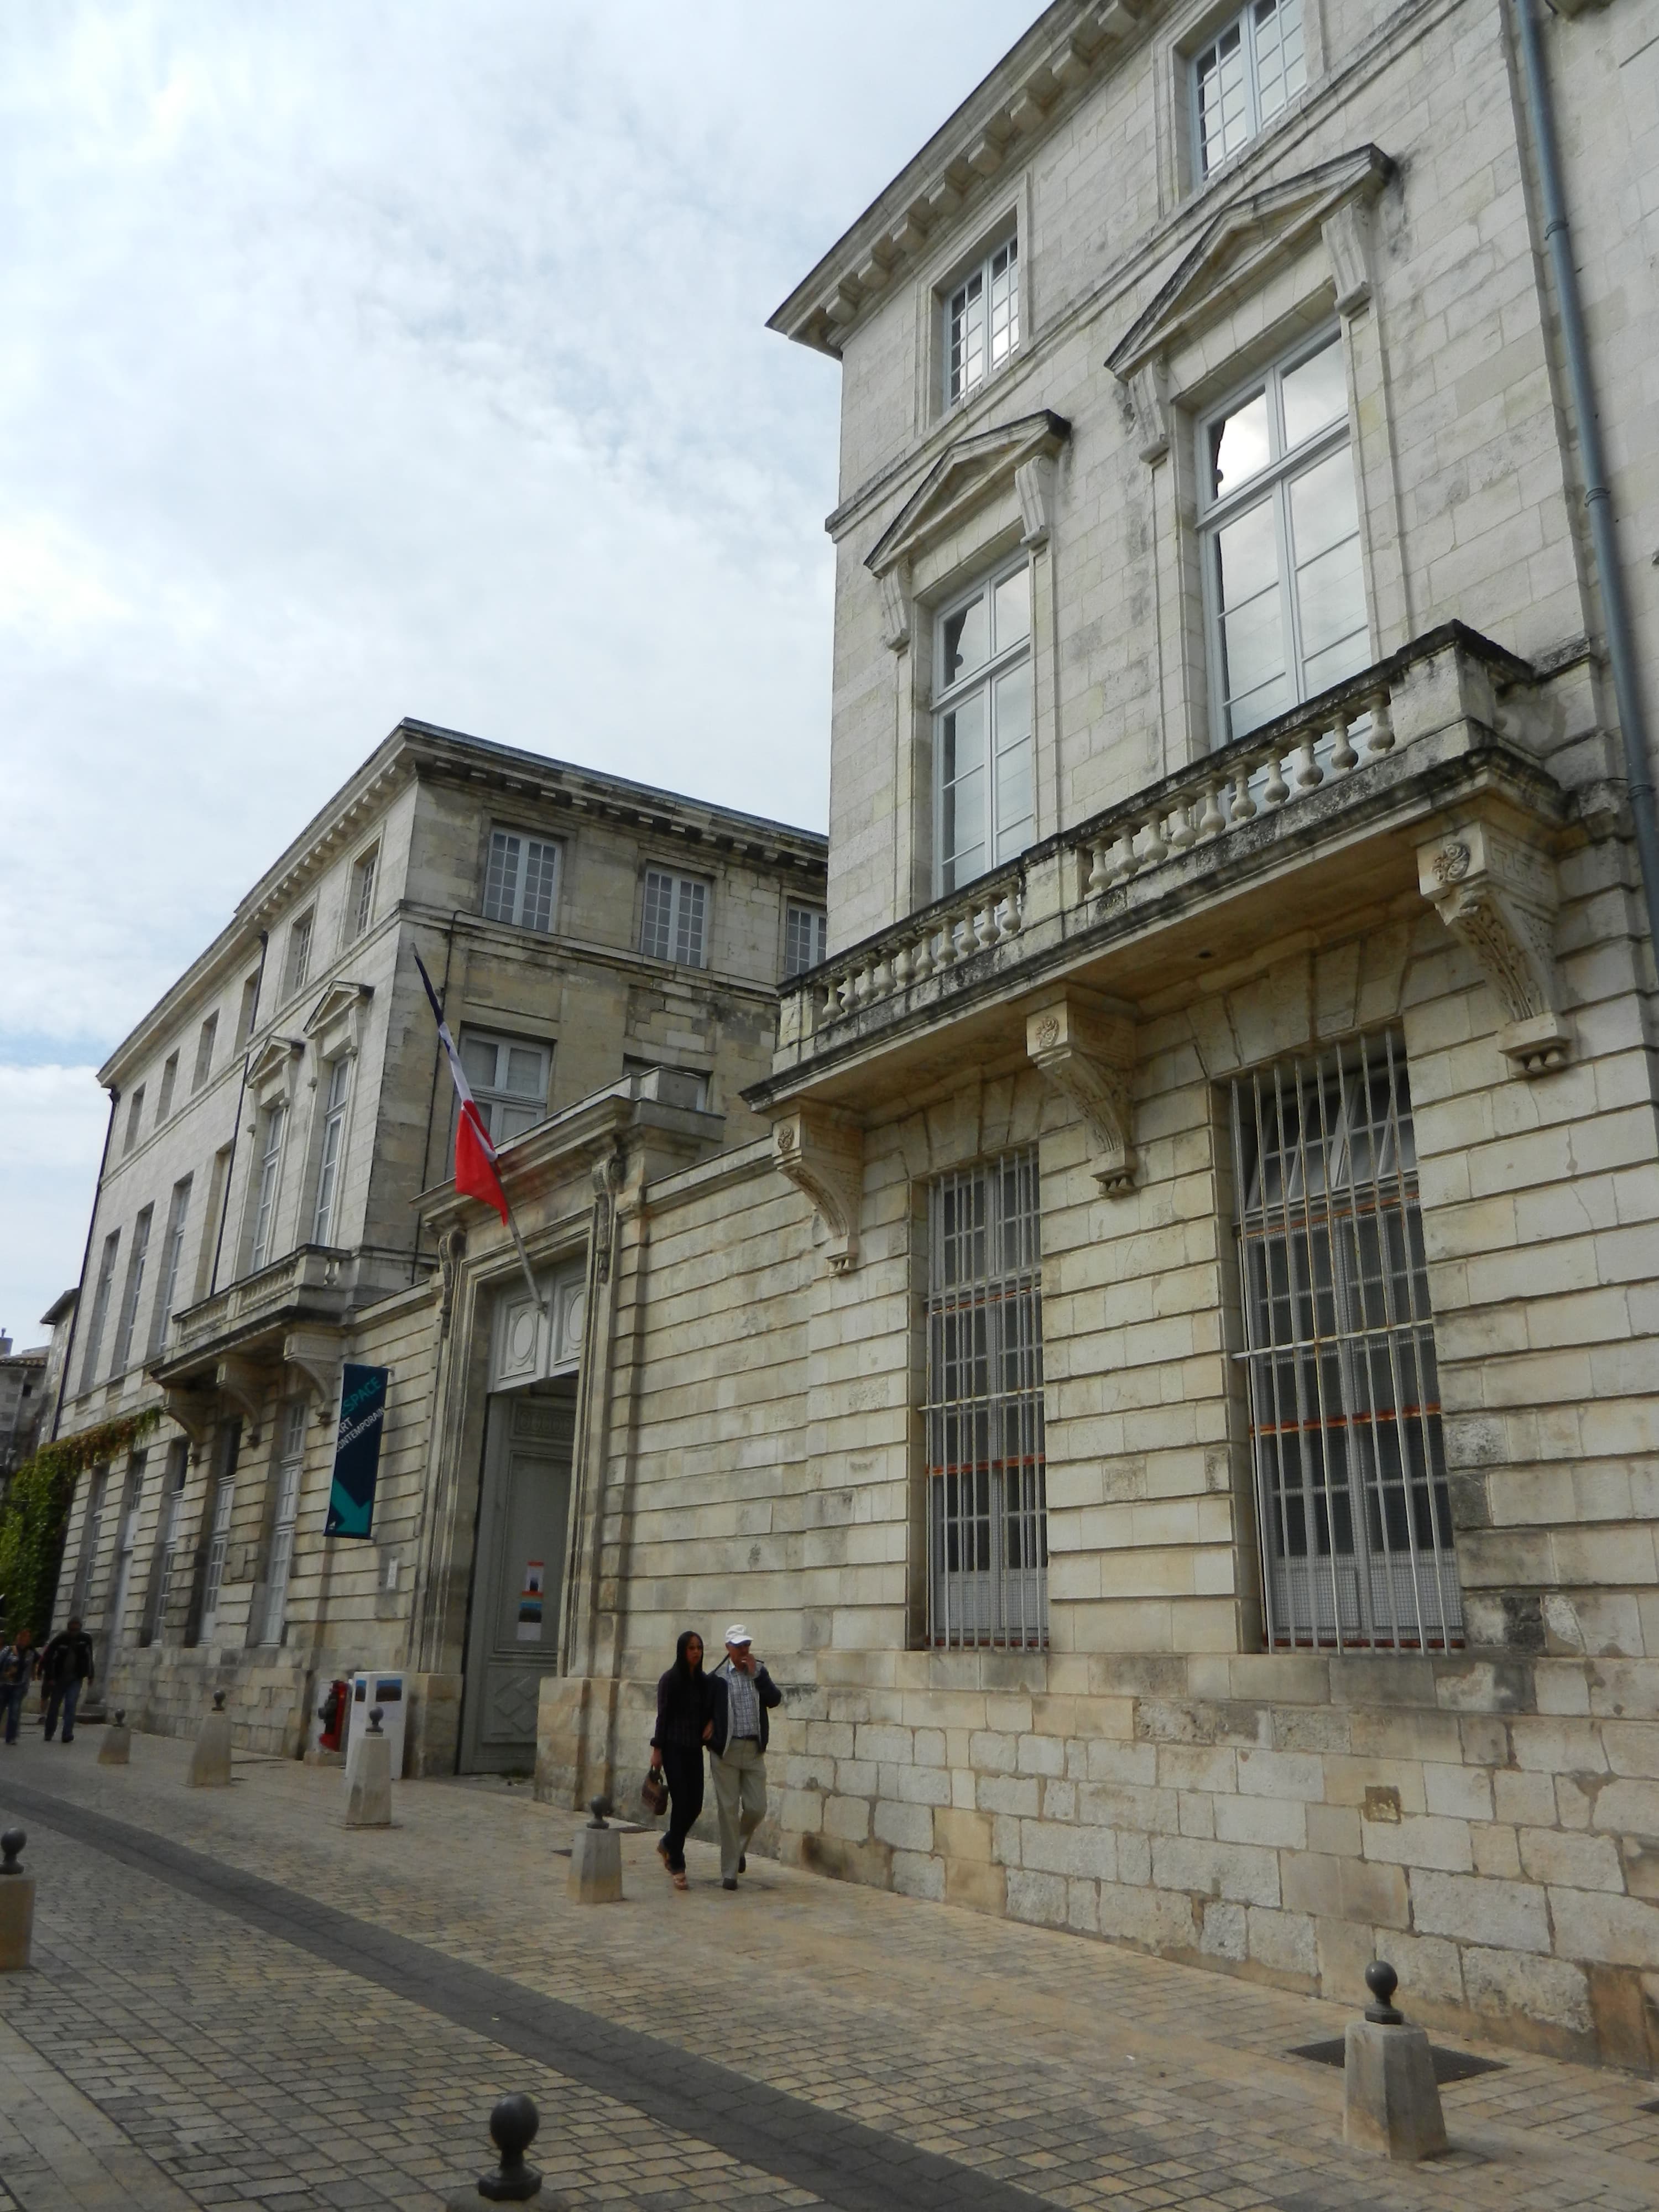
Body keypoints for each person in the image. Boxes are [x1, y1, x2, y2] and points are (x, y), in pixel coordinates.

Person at [706, 1623, 781, 1891]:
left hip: (753, 1751)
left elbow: (775, 1699)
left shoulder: (759, 1671)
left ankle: (736, 1850)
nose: (744, 1651)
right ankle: (729, 1873)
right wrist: (708, 1731)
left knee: (757, 1807)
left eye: (747, 1646)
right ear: (728, 1648)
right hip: (726, 1752)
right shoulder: (716, 1678)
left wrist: (756, 1676)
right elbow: (704, 1709)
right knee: (728, 1812)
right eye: (739, 1647)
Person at [649, 1629, 713, 1891]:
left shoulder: (703, 1681)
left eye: (699, 1648)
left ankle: (668, 1843)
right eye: (691, 1648)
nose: (696, 1652)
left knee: (695, 1805)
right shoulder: (670, 1680)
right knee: (681, 1803)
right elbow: (662, 1717)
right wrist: (657, 1750)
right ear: (682, 1651)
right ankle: (677, 1862)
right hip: (674, 1749)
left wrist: (712, 1722)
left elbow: (711, 1708)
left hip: (694, 1749)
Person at [39, 1616, 94, 1744]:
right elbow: (48, 1657)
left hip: (75, 1678)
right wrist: (50, 1677)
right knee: (54, 1705)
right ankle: (49, 1731)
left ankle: (67, 1733)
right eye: (72, 1626)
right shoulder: (60, 1639)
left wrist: (91, 1675)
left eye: (77, 1626)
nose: (74, 1629)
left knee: (71, 1704)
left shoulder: (85, 1640)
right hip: (59, 1678)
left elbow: (89, 1657)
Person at [0, 1630, 34, 1746]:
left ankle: (11, 1737)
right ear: (17, 1638)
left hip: (19, 1685)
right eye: (22, 1638)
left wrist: (26, 1687)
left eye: (26, 1638)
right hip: (4, 1684)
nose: (24, 1641)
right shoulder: (8, 1650)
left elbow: (28, 1671)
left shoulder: (30, 1654)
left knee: (14, 1712)